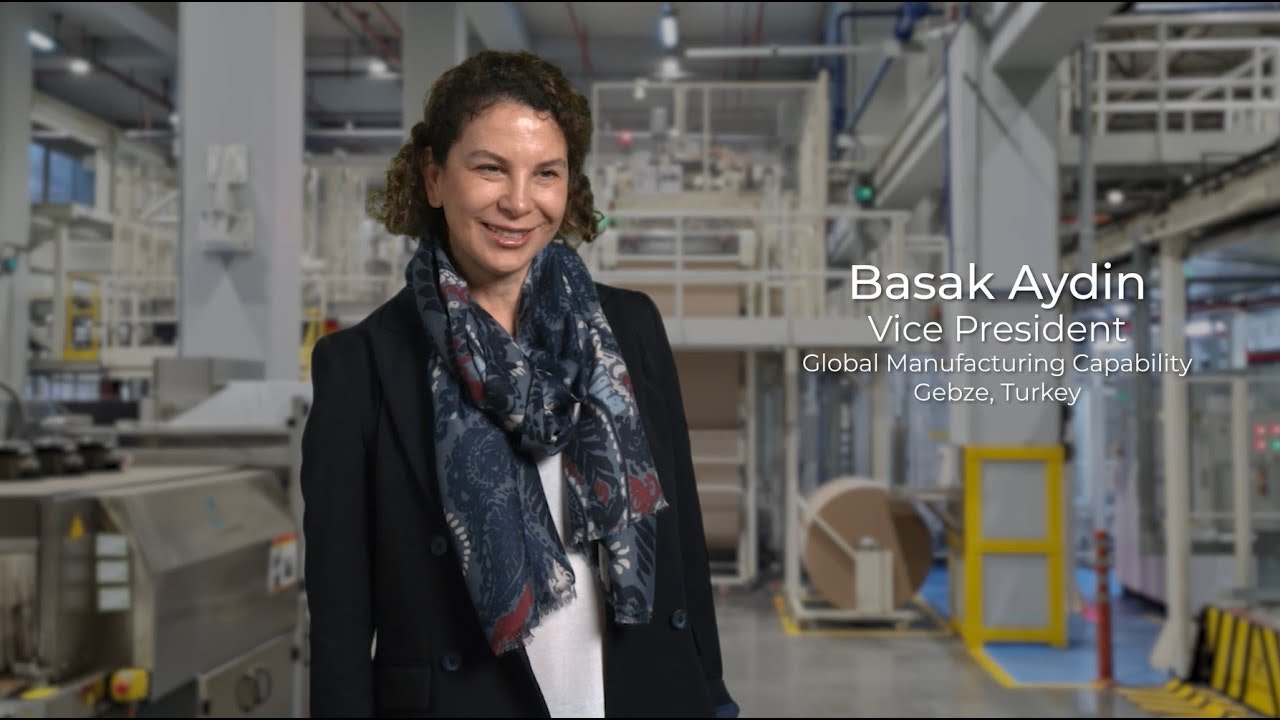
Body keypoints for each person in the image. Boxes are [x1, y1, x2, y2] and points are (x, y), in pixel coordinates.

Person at [301, 50, 739, 719]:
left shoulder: (629, 329)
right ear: (432, 177)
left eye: (546, 174)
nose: (518, 201)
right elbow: (338, 618)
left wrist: (714, 699)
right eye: (489, 168)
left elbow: (678, 542)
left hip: (643, 695)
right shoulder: (361, 368)